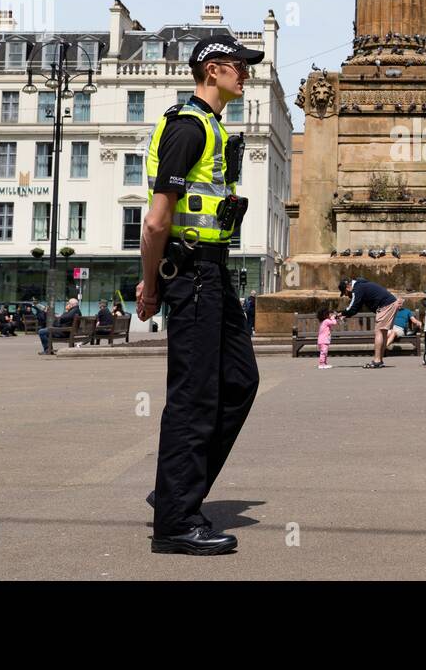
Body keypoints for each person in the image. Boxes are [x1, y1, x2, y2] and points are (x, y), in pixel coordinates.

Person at [135, 31, 263, 556]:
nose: (246, 72)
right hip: (191, 276)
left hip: (215, 274)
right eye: (238, 65)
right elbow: (155, 221)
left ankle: (174, 492)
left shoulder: (211, 127)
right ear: (211, 70)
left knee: (240, 381)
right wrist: (152, 285)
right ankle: (176, 522)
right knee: (195, 398)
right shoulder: (188, 128)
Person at [338, 277, 401, 369]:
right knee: (382, 333)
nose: (347, 295)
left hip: (385, 305)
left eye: (345, 293)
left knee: (379, 332)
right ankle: (379, 360)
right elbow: (357, 307)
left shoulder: (357, 289)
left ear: (348, 287)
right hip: (390, 303)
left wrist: (342, 313)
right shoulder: (362, 285)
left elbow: (353, 306)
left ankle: (377, 361)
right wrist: (346, 315)